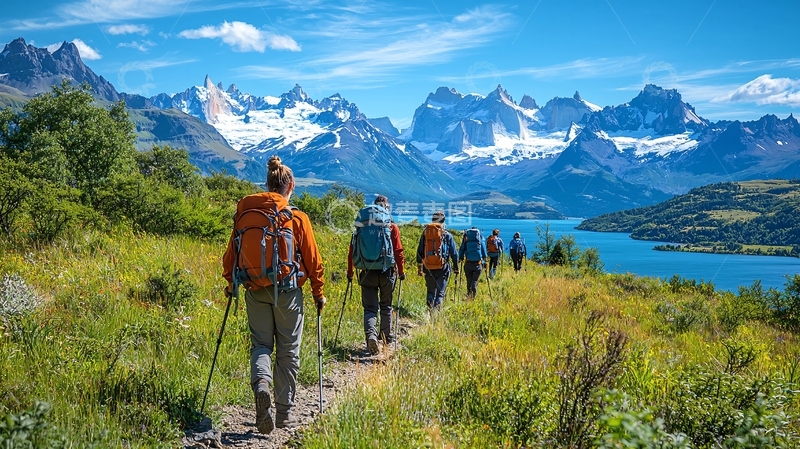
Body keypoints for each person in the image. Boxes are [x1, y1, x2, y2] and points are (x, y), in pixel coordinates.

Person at [222, 156, 326, 434]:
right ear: (290, 185)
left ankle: (262, 385)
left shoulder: (247, 212)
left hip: (254, 289)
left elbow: (232, 253)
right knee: (289, 352)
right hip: (289, 292)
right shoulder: (296, 217)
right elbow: (314, 260)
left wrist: (231, 285)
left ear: (267, 184)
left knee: (261, 346)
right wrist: (319, 293)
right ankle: (283, 413)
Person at [347, 195, 405, 355]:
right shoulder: (392, 227)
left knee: (370, 308)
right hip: (387, 272)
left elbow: (352, 250)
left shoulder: (362, 226)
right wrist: (401, 272)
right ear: (387, 208)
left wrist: (350, 272)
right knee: (386, 306)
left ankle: (371, 336)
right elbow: (398, 251)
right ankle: (385, 339)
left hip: (366, 271)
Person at [416, 210, 459, 310]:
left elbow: (420, 250)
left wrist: (420, 266)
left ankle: (430, 307)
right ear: (443, 221)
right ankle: (435, 314)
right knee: (440, 293)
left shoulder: (425, 233)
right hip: (442, 267)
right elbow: (454, 254)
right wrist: (456, 267)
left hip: (428, 266)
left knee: (430, 291)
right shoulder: (447, 235)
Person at [459, 226, 487, 299]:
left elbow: (462, 249)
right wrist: (484, 260)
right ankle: (473, 297)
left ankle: (468, 294)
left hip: (468, 263)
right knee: (474, 281)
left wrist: (460, 257)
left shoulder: (466, 238)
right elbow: (484, 251)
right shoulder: (480, 238)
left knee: (469, 280)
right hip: (477, 264)